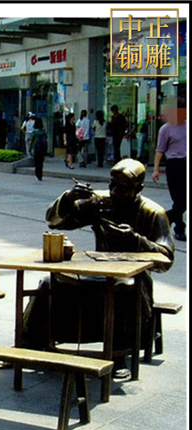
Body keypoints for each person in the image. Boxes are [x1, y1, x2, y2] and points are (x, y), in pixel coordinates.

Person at [22, 159, 174, 379]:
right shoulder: (100, 203)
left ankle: (118, 356)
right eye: (112, 184)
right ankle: (28, 344)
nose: (114, 191)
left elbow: (167, 258)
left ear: (139, 188)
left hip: (134, 278)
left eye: (123, 188)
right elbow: (55, 222)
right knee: (49, 284)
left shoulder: (153, 213)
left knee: (122, 289)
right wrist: (68, 198)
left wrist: (136, 240)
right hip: (98, 270)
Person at [153, 97, 187, 241]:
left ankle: (166, 218)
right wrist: (155, 169)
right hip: (174, 165)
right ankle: (179, 228)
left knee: (184, 200)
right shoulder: (165, 129)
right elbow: (160, 150)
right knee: (179, 199)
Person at [29, 117, 48, 182]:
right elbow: (47, 140)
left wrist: (30, 148)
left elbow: (31, 141)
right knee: (41, 162)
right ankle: (40, 175)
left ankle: (37, 174)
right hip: (42, 149)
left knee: (37, 163)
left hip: (36, 149)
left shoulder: (34, 132)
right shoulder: (44, 132)